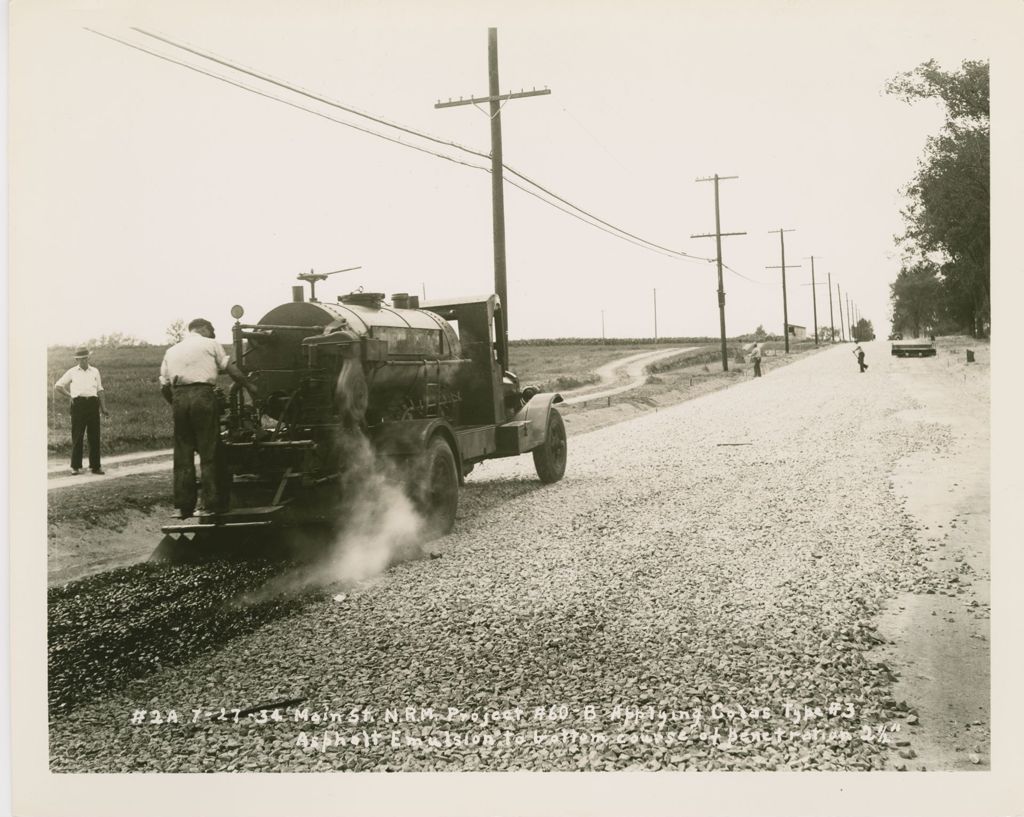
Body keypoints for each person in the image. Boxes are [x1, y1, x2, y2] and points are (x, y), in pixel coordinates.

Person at [160, 318, 257, 519]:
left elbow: (163, 386)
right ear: (203, 328)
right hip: (203, 396)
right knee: (210, 449)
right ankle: (214, 503)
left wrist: (177, 403)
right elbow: (231, 370)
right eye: (211, 331)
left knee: (183, 453)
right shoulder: (211, 344)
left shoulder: (172, 351)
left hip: (178, 397)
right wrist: (249, 386)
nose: (212, 334)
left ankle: (184, 506)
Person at [54, 347, 109, 475]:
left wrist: (103, 407)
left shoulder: (95, 371)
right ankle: (75, 466)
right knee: (77, 435)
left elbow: (100, 389)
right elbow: (58, 386)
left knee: (94, 436)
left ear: (88, 358)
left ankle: (95, 466)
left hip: (93, 404)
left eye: (85, 358)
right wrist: (70, 396)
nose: (83, 361)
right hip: (78, 405)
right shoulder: (72, 372)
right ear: (77, 359)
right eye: (81, 359)